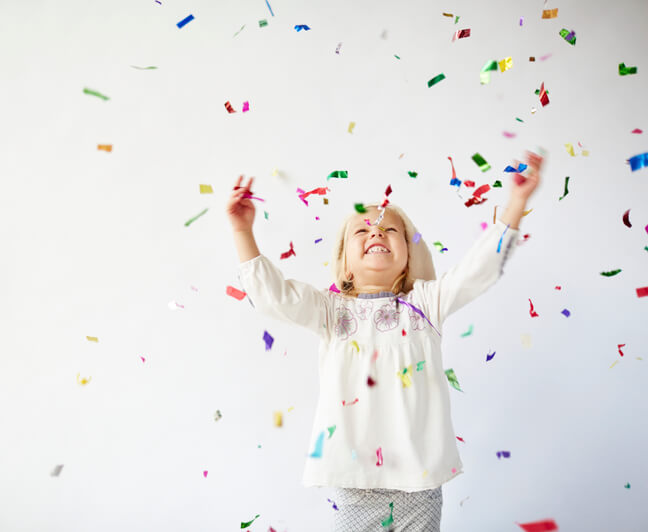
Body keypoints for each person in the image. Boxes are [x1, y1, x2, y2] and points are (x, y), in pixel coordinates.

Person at [227, 151, 543, 531]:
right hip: (354, 483)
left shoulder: (427, 303)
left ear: (409, 257)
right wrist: (243, 232)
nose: (376, 232)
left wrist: (516, 203)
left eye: (390, 230)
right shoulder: (330, 312)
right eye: (362, 230)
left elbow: (478, 269)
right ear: (344, 263)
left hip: (419, 484)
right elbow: (273, 295)